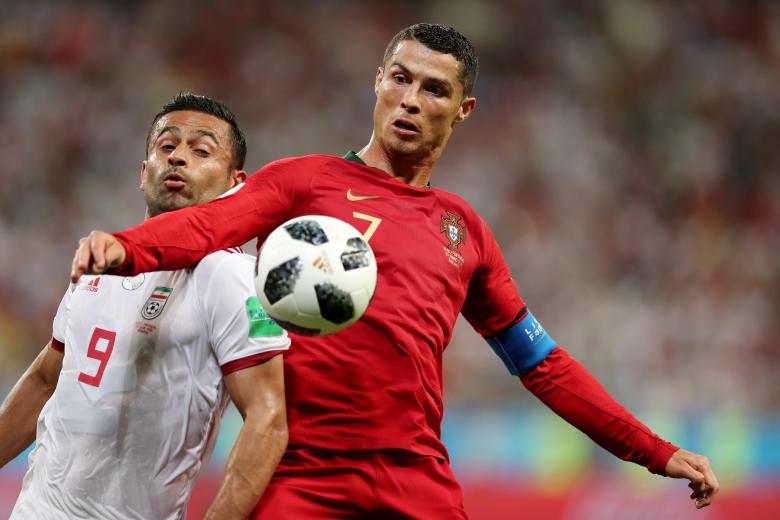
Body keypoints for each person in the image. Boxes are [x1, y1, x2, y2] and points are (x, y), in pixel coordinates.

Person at [70, 25, 720, 517]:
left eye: (433, 89)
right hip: (301, 478)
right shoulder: (304, 182)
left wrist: (654, 450)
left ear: (463, 109)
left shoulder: (463, 230)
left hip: (416, 480)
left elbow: (541, 363)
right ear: (377, 81)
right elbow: (207, 227)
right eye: (400, 79)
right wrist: (128, 248)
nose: (410, 100)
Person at [1, 93, 290, 520]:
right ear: (143, 173)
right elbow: (45, 381)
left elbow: (268, 421)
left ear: (236, 184)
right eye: (166, 146)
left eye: (201, 150)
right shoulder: (102, 264)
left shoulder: (230, 276)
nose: (178, 158)